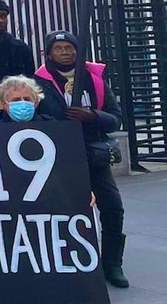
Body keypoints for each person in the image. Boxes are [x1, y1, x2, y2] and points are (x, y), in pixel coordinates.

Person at [34, 31, 128, 288]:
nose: (65, 52)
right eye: (58, 48)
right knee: (67, 211)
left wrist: (92, 116)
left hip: (93, 154)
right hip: (59, 157)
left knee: (112, 207)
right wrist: (58, 123)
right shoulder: (39, 82)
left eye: (69, 47)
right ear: (48, 53)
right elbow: (33, 118)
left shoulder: (94, 78)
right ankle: (73, 262)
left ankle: (112, 263)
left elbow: (116, 117)